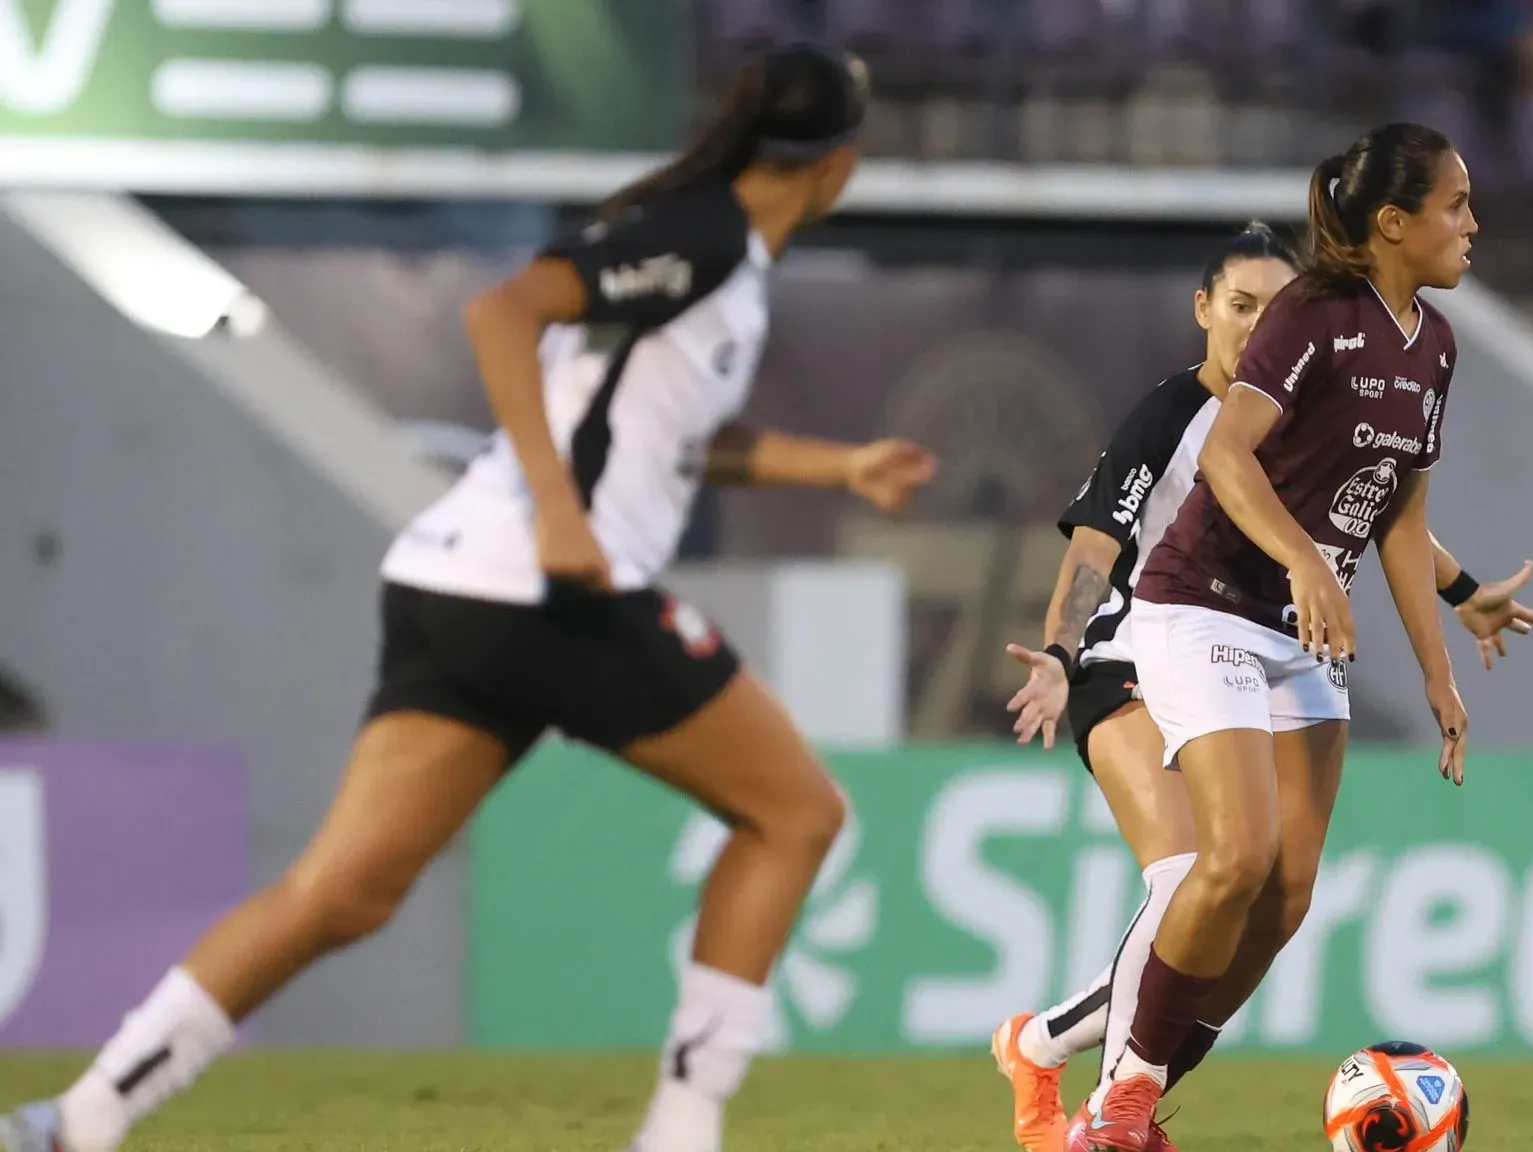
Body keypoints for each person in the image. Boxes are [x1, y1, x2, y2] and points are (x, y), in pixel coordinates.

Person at [0, 44, 934, 1152]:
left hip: (457, 585)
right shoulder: (702, 238)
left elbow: (670, 434)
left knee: (339, 893)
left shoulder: (713, 251)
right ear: (840, 164)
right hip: (554, 589)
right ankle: (680, 1133)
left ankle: (80, 1118)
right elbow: (503, 311)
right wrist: (558, 512)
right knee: (795, 814)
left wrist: (837, 467)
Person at [989, 216, 1533, 1152]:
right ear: (1203, 309)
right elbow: (1097, 544)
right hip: (1131, 655)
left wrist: (1461, 594)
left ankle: (1049, 1048)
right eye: (1237, 305)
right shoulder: (1176, 415)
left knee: (1269, 901)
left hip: (1267, 647)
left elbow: (1372, 513)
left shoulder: (1307, 403)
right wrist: (1059, 648)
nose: (1255, 326)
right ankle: (1112, 1113)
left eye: (1272, 308)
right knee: (1189, 878)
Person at [1070, 123, 1480, 1152]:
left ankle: (1134, 1093)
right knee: (1235, 856)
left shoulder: (1433, 345)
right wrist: (1302, 560)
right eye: (1455, 206)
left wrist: (1438, 673)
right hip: (1202, 603)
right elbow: (1227, 459)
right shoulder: (1308, 315)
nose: (1472, 226)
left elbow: (1397, 517)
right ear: (1394, 223)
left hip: (1304, 637)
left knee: (1287, 896)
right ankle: (1117, 1105)